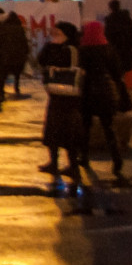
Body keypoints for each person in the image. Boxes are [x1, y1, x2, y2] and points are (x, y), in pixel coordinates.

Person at [78, 21, 126, 182]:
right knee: (108, 127)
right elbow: (117, 72)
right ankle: (117, 158)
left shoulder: (84, 50)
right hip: (105, 92)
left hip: (88, 92)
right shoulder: (108, 49)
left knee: (85, 126)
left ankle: (84, 157)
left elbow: (80, 71)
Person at [37, 23, 84, 181]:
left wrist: (54, 47)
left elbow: (59, 62)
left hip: (68, 97)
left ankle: (73, 166)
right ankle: (53, 162)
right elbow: (41, 60)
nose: (55, 35)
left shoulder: (71, 49)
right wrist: (51, 44)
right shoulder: (54, 46)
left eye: (58, 33)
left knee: (68, 131)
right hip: (56, 95)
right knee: (52, 129)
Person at [0, 12, 30, 97]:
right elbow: (24, 42)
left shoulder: (4, 28)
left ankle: (1, 88)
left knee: (4, 73)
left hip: (6, 55)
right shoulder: (19, 29)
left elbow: (0, 41)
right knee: (17, 74)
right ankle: (16, 87)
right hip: (18, 55)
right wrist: (26, 51)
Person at [105, 0, 132, 74]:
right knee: (126, 69)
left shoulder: (110, 19)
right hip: (127, 48)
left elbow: (108, 35)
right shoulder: (127, 19)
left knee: (116, 69)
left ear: (111, 8)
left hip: (115, 48)